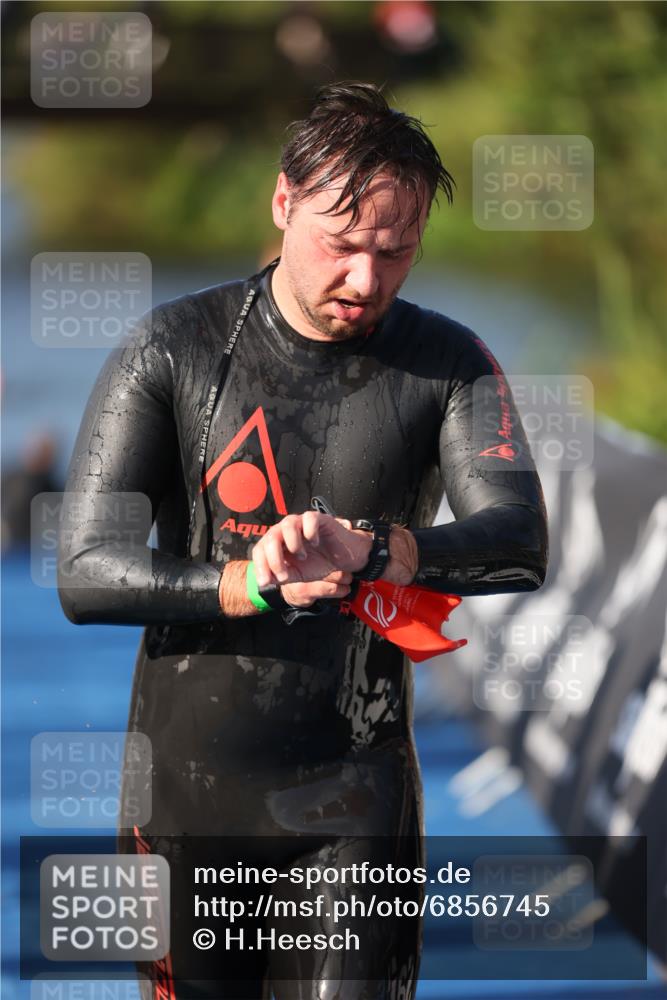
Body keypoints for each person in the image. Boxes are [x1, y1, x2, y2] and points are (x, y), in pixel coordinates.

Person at [58, 82, 548, 1000]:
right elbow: (85, 572)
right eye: (342, 244)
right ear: (283, 204)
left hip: (356, 795)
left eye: (394, 252)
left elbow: (520, 541)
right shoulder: (169, 349)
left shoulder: (447, 363)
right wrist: (248, 581)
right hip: (184, 801)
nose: (365, 281)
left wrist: (382, 552)